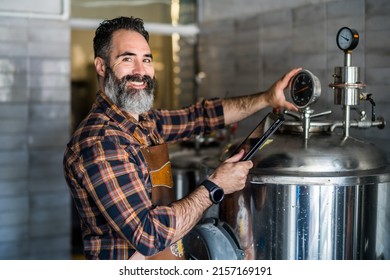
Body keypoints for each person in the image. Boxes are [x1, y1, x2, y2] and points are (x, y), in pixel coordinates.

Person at [63, 16, 301, 260]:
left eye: (146, 59)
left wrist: (266, 99)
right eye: (127, 59)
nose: (140, 71)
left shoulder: (142, 122)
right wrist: (214, 187)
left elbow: (202, 117)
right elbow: (149, 235)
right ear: (101, 66)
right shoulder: (100, 142)